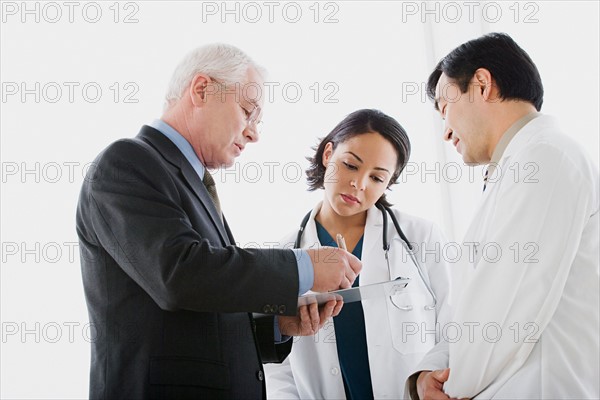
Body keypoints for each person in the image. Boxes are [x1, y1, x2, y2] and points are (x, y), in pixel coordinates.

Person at [76, 43, 362, 399]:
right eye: (247, 112)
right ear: (201, 90)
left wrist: (276, 325)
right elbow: (180, 275)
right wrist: (303, 266)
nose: (254, 133)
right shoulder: (127, 163)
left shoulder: (192, 182)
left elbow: (203, 306)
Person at [408, 33, 599, 399]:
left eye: (445, 108)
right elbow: (474, 304)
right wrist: (428, 374)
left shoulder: (545, 158)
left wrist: (452, 388)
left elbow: (504, 310)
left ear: (481, 84)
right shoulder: (520, 165)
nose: (446, 131)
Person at [264, 109, 453, 399]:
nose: (359, 184)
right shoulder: (284, 254)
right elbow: (275, 366)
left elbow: (454, 325)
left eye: (377, 178)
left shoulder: (419, 238)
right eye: (351, 165)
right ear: (328, 154)